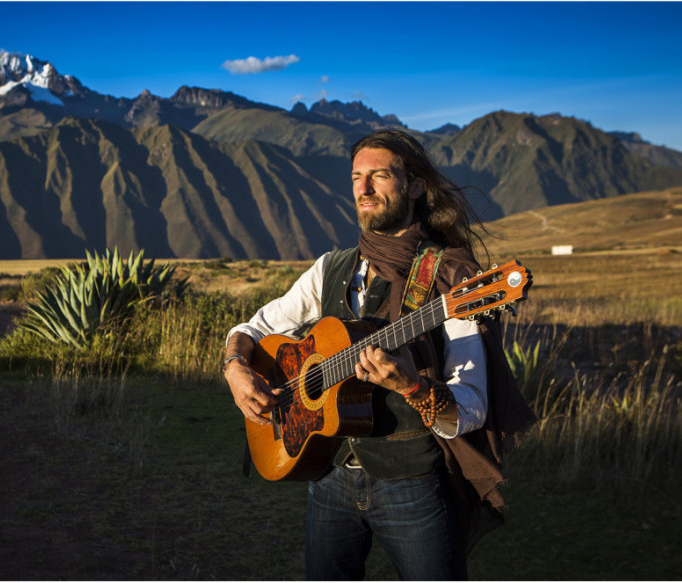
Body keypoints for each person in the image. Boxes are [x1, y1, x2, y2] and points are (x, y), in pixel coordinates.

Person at [222, 129, 534, 580]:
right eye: (356, 178)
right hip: (326, 471)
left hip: (411, 481)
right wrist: (234, 367)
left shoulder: (450, 277)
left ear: (415, 186)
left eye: (380, 176)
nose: (364, 190)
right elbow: (253, 328)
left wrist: (412, 385)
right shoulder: (332, 268)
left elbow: (471, 407)